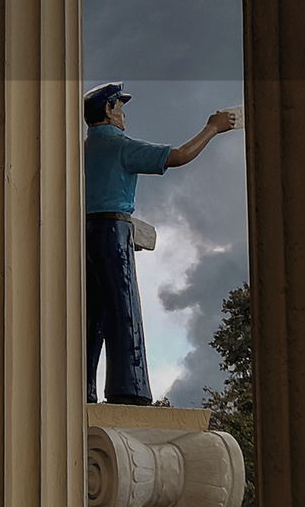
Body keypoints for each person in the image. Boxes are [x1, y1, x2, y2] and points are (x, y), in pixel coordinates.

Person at [84, 81, 235, 405]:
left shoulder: (82, 150)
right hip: (113, 229)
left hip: (83, 232)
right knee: (124, 309)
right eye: (120, 108)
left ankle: (83, 385)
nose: (124, 115)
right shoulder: (119, 146)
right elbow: (178, 156)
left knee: (91, 312)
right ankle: (129, 387)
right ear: (109, 110)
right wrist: (212, 128)